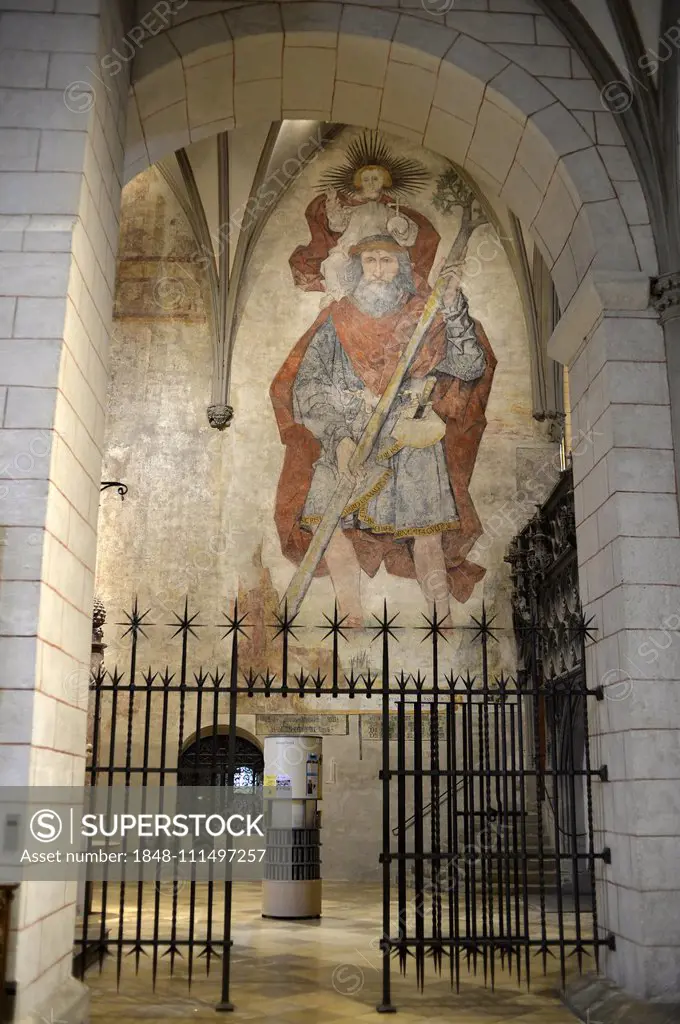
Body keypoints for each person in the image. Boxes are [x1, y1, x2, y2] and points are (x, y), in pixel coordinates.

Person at [271, 235, 497, 625]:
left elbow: (469, 366)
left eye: (387, 261)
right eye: (371, 260)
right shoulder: (336, 321)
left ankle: (440, 626)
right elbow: (308, 385)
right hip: (346, 438)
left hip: (409, 435)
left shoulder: (424, 316)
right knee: (329, 524)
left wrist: (454, 304)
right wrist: (338, 438)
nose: (378, 269)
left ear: (402, 269)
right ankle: (352, 619)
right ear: (358, 267)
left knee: (427, 535)